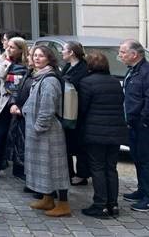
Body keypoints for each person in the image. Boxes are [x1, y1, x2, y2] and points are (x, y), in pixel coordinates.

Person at [78, 51, 127, 218]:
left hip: (95, 132)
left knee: (97, 168)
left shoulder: (86, 82)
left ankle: (100, 205)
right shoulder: (115, 82)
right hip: (115, 131)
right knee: (111, 168)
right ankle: (113, 204)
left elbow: (82, 109)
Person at [25, 45, 70, 217]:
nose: (36, 58)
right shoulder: (39, 77)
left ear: (49, 59)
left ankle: (63, 203)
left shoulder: (50, 80)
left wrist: (38, 127)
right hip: (39, 132)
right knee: (45, 167)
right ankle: (48, 198)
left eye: (41, 56)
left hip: (49, 132)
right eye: (35, 55)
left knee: (56, 167)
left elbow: (47, 107)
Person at [119, 39, 149, 212]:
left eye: (123, 52)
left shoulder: (147, 72)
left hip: (144, 124)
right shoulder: (133, 71)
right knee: (138, 158)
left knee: (146, 160)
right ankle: (143, 190)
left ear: (134, 54)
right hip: (134, 123)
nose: (120, 55)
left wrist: (143, 121)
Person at [0, 36, 28, 181]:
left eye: (12, 47)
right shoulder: (2, 59)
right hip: (4, 103)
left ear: (20, 50)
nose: (8, 49)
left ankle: (19, 169)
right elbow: (0, 73)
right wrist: (7, 60)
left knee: (19, 137)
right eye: (8, 46)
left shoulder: (26, 63)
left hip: (20, 103)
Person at [61, 41, 89, 186]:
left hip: (78, 112)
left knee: (79, 145)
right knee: (67, 143)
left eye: (64, 49)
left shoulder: (83, 69)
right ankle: (69, 172)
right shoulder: (67, 66)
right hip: (67, 111)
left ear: (71, 52)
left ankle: (82, 174)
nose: (61, 52)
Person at [7, 46, 35, 183]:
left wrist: (22, 109)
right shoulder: (28, 73)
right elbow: (17, 90)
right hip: (19, 115)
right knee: (19, 145)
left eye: (32, 55)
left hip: (29, 117)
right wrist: (12, 103)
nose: (29, 58)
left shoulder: (44, 77)